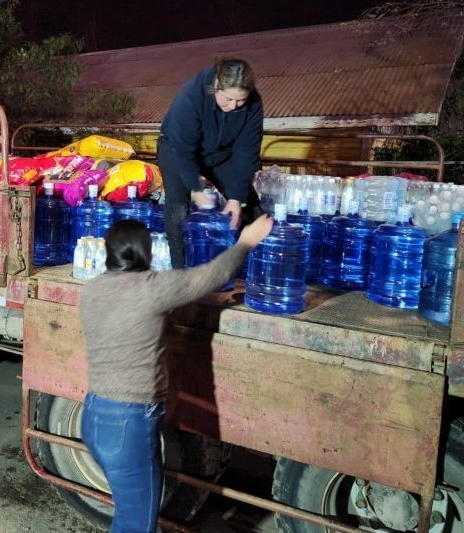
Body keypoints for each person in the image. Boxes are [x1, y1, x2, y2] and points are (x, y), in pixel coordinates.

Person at [79, 215, 274, 533]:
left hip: (95, 415)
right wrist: (247, 241)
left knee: (131, 515)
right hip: (128, 423)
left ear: (109, 251)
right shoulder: (151, 288)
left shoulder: (93, 289)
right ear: (147, 252)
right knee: (136, 525)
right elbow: (212, 275)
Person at [157, 58, 264, 269]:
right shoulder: (191, 97)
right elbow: (183, 150)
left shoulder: (253, 103)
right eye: (229, 99)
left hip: (220, 153)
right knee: (178, 206)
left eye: (240, 101)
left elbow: (246, 152)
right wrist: (195, 187)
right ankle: (181, 275)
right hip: (177, 148)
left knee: (251, 208)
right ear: (216, 85)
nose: (234, 106)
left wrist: (236, 198)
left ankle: (249, 267)